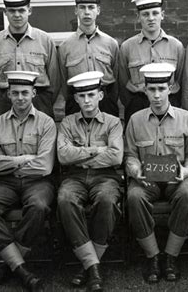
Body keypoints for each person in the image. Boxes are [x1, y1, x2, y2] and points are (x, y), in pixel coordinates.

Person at [0, 71, 57, 291]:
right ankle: (20, 269)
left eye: (25, 93)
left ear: (34, 93)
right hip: (5, 183)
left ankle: (6, 266)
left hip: (38, 182)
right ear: (8, 94)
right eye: (16, 93)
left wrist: (6, 161)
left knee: (38, 206)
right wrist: (22, 159)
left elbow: (44, 166)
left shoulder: (47, 123)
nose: (20, 98)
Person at [125, 63, 188, 283]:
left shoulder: (187, 118)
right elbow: (130, 155)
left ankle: (171, 256)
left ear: (171, 88)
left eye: (161, 89)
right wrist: (136, 171)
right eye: (151, 90)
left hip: (178, 179)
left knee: (187, 194)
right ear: (145, 90)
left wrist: (186, 171)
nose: (156, 95)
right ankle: (153, 255)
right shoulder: (135, 120)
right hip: (147, 181)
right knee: (134, 196)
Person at [56, 71, 123, 291]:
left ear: (100, 96)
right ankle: (93, 266)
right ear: (75, 99)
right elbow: (63, 156)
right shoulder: (66, 123)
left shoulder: (113, 123)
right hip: (74, 176)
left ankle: (87, 265)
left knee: (106, 200)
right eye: (82, 96)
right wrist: (96, 150)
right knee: (65, 200)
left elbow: (116, 156)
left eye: (91, 95)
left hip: (106, 176)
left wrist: (80, 155)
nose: (86, 100)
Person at [0, 0, 60, 118]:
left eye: (21, 10)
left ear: (29, 10)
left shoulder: (45, 40)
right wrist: (3, 99)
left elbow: (55, 79)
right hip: (6, 102)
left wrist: (45, 102)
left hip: (39, 101)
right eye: (12, 11)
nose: (17, 15)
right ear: (5, 12)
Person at [118, 0, 185, 124]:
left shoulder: (176, 46)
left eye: (155, 13)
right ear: (138, 17)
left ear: (162, 15)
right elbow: (123, 83)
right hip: (138, 104)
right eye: (145, 14)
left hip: (169, 104)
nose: (151, 18)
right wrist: (132, 103)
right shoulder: (127, 47)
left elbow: (181, 79)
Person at [58, 0, 120, 117]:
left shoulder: (111, 43)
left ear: (98, 10)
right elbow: (63, 81)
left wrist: (109, 99)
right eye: (82, 7)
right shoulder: (65, 46)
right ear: (76, 10)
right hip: (77, 102)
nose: (86, 12)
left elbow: (117, 78)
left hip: (105, 101)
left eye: (91, 7)